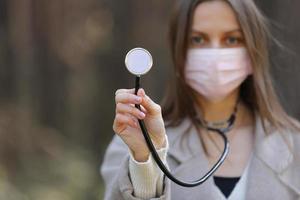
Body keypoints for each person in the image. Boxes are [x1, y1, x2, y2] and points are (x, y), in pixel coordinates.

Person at [101, 0, 300, 199]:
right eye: (198, 39)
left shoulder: (295, 144)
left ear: (252, 52)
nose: (214, 55)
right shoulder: (132, 143)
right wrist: (145, 162)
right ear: (178, 51)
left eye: (231, 39)